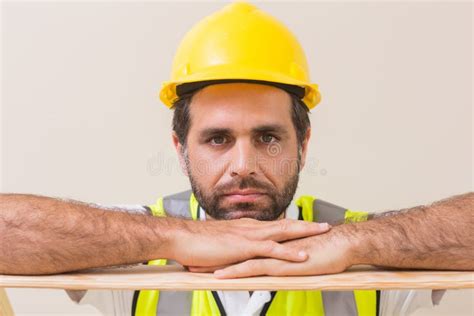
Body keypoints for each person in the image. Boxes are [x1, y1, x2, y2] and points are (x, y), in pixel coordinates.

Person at [0, 2, 472, 316]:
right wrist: (176, 238)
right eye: (217, 139)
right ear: (180, 149)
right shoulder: (138, 249)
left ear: (303, 145)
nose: (243, 163)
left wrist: (359, 244)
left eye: (267, 138)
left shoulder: (362, 249)